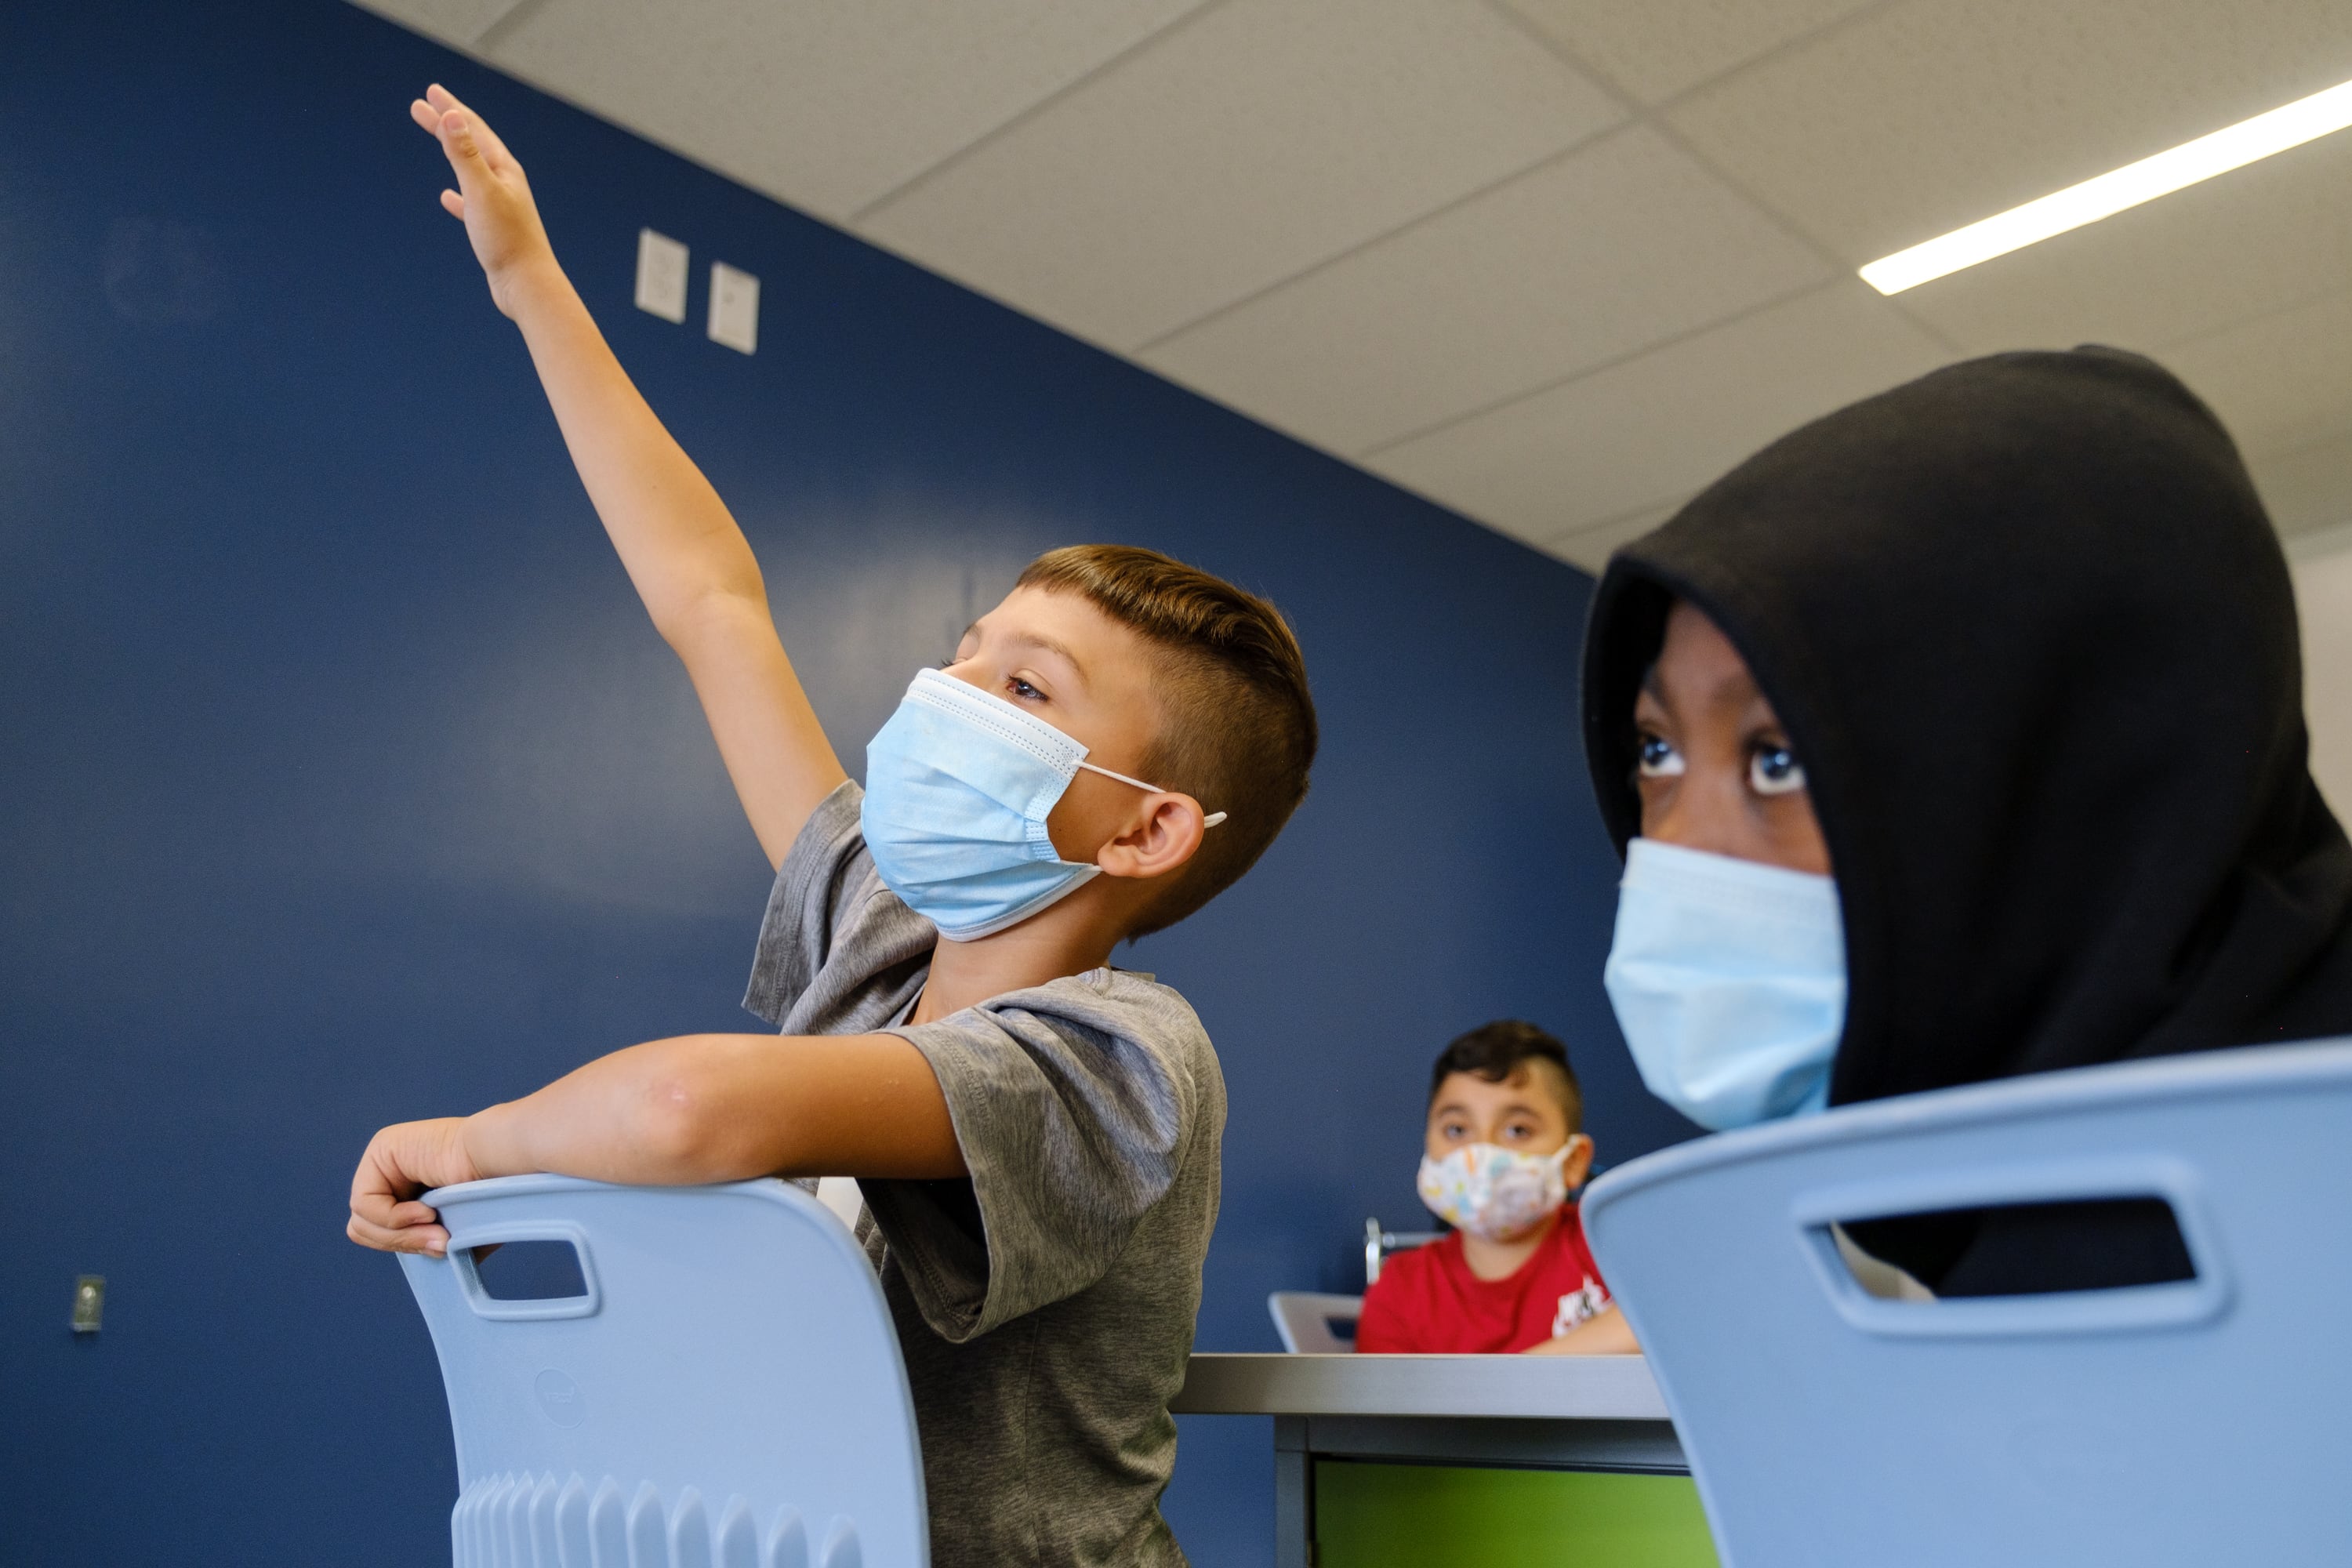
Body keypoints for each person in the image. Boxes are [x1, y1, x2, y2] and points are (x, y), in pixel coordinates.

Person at [343, 87, 1319, 1568]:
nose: (950, 691)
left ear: (1145, 831)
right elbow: (712, 606)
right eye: (969, 648)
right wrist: (530, 286)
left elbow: (691, 1116)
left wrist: (474, 1144)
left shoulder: (1127, 1058)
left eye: (1025, 687)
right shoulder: (877, 925)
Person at [1580, 345, 2352, 1296]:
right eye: (1656, 751)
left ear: (2067, 793)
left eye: (1777, 758)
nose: (1675, 854)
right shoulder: (1986, 1233)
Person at [1356, 1021, 1636, 1354]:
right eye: (1457, 1130)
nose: (1481, 1154)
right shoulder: (1402, 1291)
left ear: (1574, 1161)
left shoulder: (1612, 1245)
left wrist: (1520, 1379)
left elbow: (1680, 1315)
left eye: (1517, 1130)